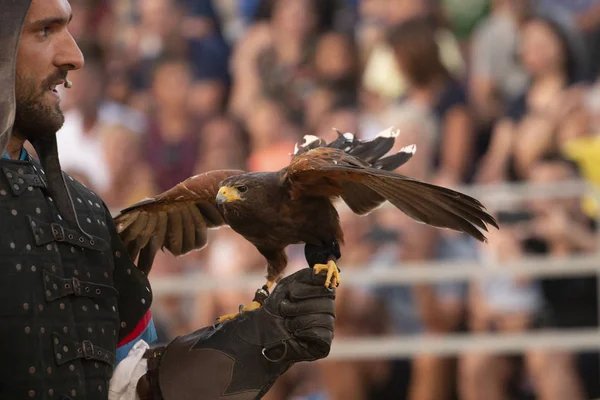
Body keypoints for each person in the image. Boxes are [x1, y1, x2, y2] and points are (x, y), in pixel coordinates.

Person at [0, 1, 336, 399]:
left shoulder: (85, 214)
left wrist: (258, 337)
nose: (74, 56)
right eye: (45, 31)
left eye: (68, 29)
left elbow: (129, 384)